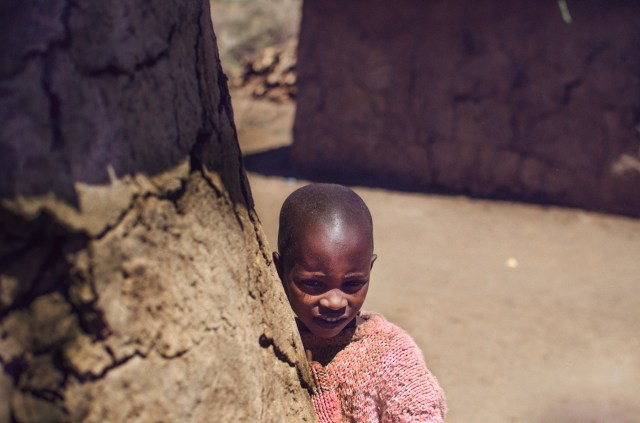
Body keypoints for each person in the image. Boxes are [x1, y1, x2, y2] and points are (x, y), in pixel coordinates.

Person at [273, 183, 447, 422]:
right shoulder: (274, 340)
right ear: (279, 271)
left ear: (370, 269)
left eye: (352, 285)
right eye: (313, 284)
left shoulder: (392, 357)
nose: (334, 302)